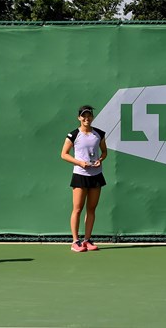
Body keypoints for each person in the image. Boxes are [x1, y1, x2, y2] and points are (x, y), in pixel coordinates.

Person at [61, 105, 107, 252]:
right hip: (80, 175)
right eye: (84, 116)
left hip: (96, 175)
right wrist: (80, 162)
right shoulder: (73, 135)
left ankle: (87, 240)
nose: (86, 118)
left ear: (92, 117)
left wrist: (100, 159)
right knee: (78, 209)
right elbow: (64, 154)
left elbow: (104, 152)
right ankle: (75, 242)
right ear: (79, 118)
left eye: (89, 116)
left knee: (91, 209)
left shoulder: (99, 134)